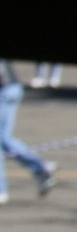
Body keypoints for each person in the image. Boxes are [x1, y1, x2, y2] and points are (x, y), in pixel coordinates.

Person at [0, 61, 57, 203]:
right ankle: (41, 167)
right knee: (4, 139)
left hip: (4, 90)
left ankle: (1, 190)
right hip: (13, 87)